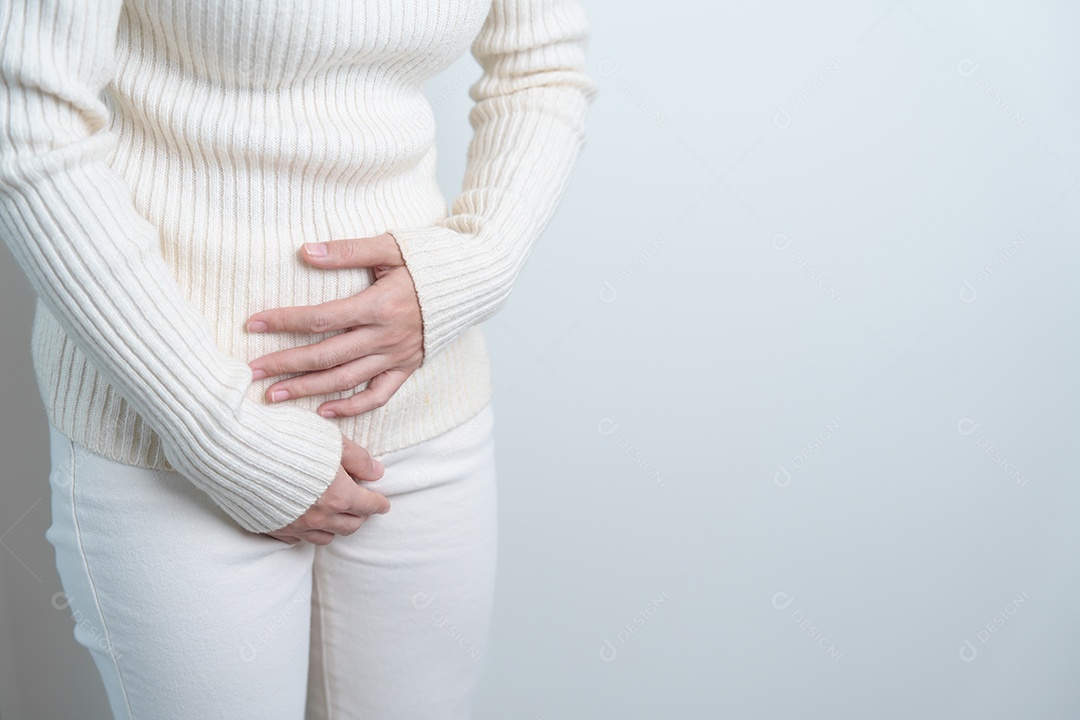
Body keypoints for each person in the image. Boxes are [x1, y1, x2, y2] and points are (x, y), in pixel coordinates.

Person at [0, 0, 597, 717]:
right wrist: (217, 434)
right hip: (171, 430)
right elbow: (28, 126)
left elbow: (541, 67)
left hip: (426, 407)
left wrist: (476, 265)